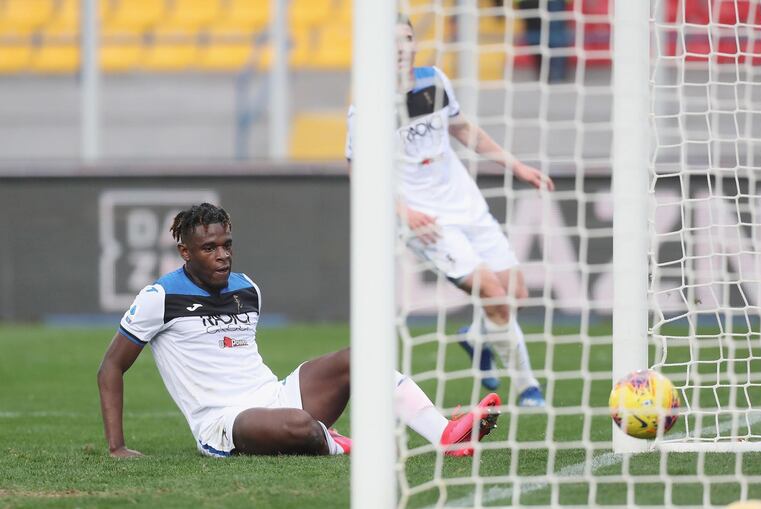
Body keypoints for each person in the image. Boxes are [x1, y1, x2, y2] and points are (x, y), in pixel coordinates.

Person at [97, 203, 500, 458]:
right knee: (299, 427)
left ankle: (445, 434)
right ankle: (335, 443)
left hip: (275, 395)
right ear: (185, 251)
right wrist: (117, 447)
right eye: (209, 249)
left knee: (359, 358)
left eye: (227, 245)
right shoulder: (159, 296)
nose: (222, 255)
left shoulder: (246, 288)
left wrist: (279, 398)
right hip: (223, 421)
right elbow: (111, 368)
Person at [345, 17, 553, 408]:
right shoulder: (367, 106)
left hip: (466, 204)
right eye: (393, 42)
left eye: (407, 38)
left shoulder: (435, 81)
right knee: (492, 291)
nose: (402, 47)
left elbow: (464, 131)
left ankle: (477, 337)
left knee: (515, 293)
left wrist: (518, 166)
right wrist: (403, 212)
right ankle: (529, 389)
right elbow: (360, 169)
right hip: (426, 221)